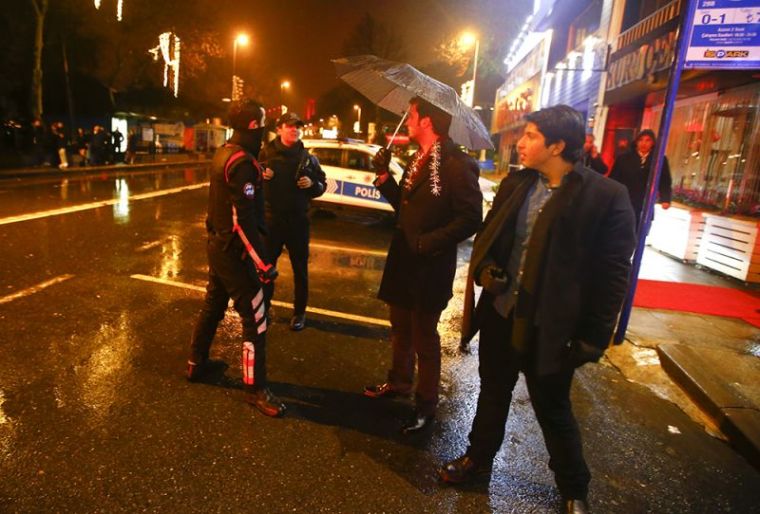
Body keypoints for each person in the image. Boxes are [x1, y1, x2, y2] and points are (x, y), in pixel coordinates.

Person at [438, 105, 636, 514]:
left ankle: (573, 488)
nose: (520, 143)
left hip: (552, 327)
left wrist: (593, 338)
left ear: (558, 145)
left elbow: (613, 275)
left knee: (553, 407)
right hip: (502, 312)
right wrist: (489, 270)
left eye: (529, 136)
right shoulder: (518, 184)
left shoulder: (606, 197)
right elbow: (494, 236)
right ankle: (477, 461)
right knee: (493, 391)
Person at [363, 96, 483, 434]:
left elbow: (471, 217)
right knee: (399, 328)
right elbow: (405, 206)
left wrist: (428, 242)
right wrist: (384, 175)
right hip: (404, 260)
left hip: (428, 265)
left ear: (428, 121)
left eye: (412, 114)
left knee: (424, 338)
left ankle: (426, 404)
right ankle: (399, 382)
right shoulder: (419, 158)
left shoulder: (457, 164)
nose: (408, 119)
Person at [186, 99, 285, 418]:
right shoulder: (242, 161)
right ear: (254, 126)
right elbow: (242, 220)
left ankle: (195, 363)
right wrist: (263, 264)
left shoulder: (224, 152)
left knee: (213, 304)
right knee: (255, 317)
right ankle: (255, 389)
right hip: (234, 251)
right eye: (262, 124)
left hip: (218, 245)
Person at [259, 112, 326, 331]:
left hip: (298, 222)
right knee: (266, 269)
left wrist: (313, 184)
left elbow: (323, 185)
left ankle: (299, 314)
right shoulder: (264, 154)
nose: (294, 129)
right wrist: (259, 175)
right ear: (279, 129)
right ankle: (263, 310)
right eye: (289, 126)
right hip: (271, 221)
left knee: (300, 270)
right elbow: (248, 182)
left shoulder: (308, 158)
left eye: (297, 126)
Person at [608, 128, 672, 230]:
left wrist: (666, 199)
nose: (644, 143)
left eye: (648, 140)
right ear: (636, 142)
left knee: (640, 232)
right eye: (641, 140)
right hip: (625, 200)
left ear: (653, 143)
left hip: (644, 203)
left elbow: (665, 180)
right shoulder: (624, 158)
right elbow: (613, 178)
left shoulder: (659, 160)